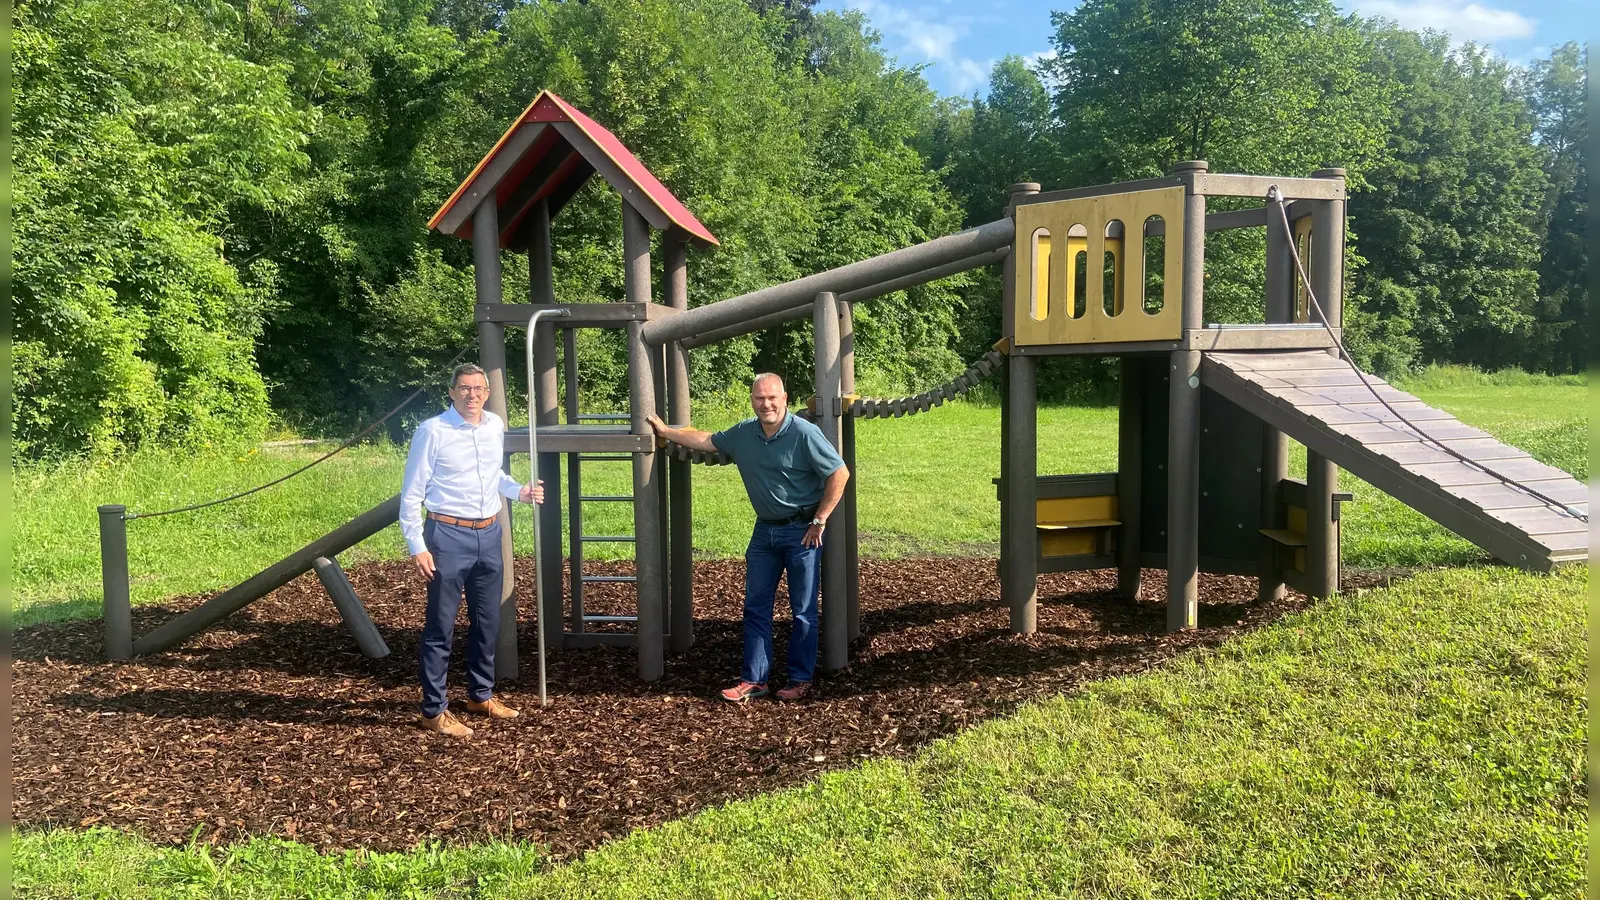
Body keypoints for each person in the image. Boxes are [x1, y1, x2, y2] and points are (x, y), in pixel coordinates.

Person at [648, 373, 849, 702]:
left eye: (772, 397)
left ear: (785, 398)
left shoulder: (804, 433)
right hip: (764, 532)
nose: (766, 404)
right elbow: (707, 440)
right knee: (755, 608)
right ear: (752, 400)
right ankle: (755, 680)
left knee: (802, 610)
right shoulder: (744, 433)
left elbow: (839, 473)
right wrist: (666, 431)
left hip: (802, 531)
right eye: (759, 398)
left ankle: (800, 679)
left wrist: (820, 519)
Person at [400, 363, 543, 738]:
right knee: (440, 627)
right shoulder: (433, 431)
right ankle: (433, 711)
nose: (472, 395)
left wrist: (520, 492)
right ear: (451, 392)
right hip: (447, 535)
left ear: (487, 392)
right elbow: (412, 492)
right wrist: (418, 545)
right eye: (464, 388)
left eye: (478, 388)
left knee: (487, 622)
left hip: (489, 534)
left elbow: (494, 475)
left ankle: (480, 695)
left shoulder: (493, 426)